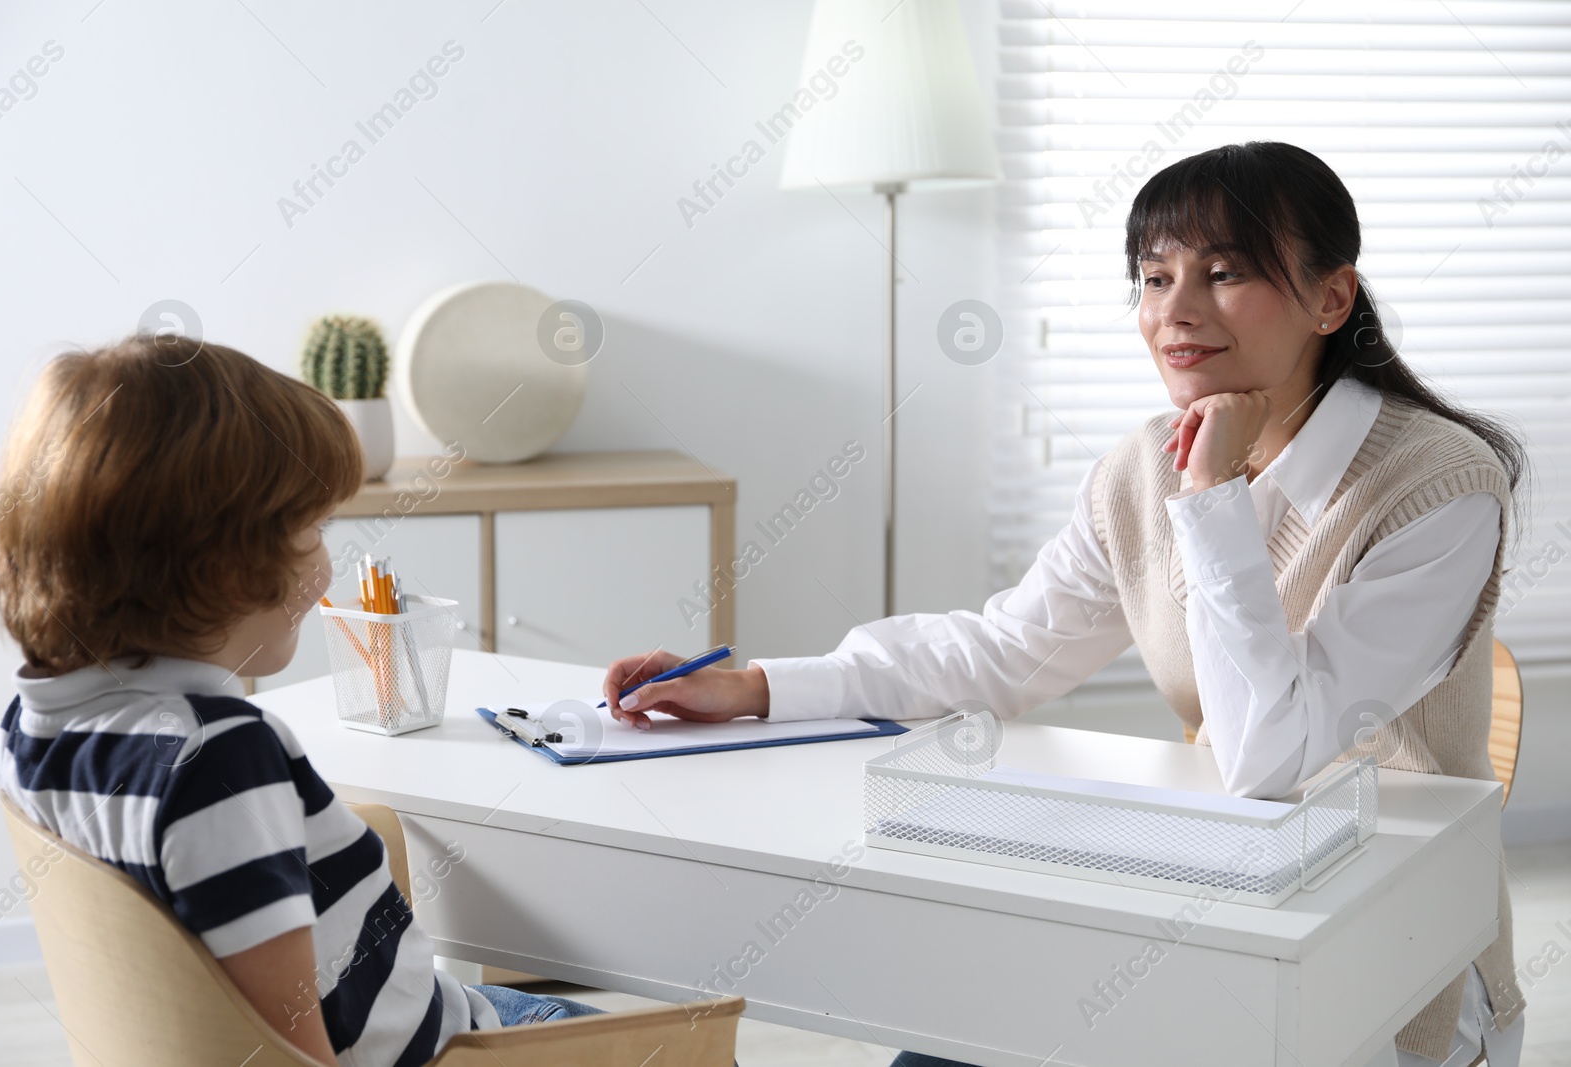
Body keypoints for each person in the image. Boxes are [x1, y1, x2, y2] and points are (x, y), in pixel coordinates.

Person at [600, 142, 1528, 1067]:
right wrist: (759, 685)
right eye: (1154, 277)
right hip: (1221, 893)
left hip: (1395, 955)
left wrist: (1213, 502)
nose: (1176, 310)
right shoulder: (1142, 467)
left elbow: (1264, 757)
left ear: (1332, 298)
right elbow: (1002, 651)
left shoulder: (1437, 486)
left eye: (1225, 272)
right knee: (947, 1045)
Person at [0, 336, 600, 1067]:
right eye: (312, 529)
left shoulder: (33, 724)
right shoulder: (223, 758)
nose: (325, 565)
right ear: (226, 566)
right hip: (448, 1048)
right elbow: (290, 1047)